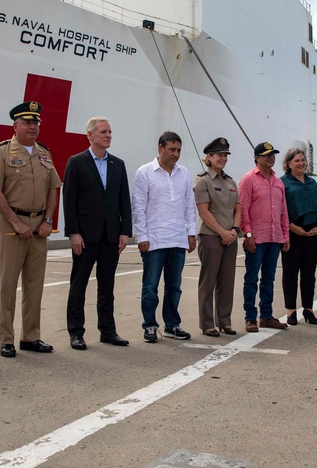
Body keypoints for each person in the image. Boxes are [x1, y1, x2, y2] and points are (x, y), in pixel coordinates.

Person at [0, 101, 62, 358]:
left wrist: (48, 221)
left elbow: (53, 189)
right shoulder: (2, 152)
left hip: (39, 227)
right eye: (27, 122)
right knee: (7, 285)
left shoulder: (44, 154)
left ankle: (31, 336)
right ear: (15, 125)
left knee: (34, 285)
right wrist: (16, 222)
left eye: (35, 122)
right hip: (11, 224)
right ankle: (6, 339)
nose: (32, 127)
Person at [62, 116, 131, 350]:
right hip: (86, 235)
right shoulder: (76, 162)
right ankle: (76, 332)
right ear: (90, 135)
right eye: (103, 132)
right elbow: (69, 200)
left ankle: (108, 331)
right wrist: (73, 232)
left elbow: (124, 201)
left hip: (111, 235)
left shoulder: (118, 164)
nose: (108, 136)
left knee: (107, 285)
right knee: (78, 284)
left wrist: (125, 231)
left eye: (110, 132)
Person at [131, 131, 197, 343]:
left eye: (178, 150)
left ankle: (172, 324)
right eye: (171, 149)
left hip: (178, 239)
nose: (176, 154)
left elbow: (189, 206)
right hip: (154, 240)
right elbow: (138, 207)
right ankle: (150, 325)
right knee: (150, 286)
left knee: (174, 286)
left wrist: (191, 233)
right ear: (160, 148)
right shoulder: (144, 172)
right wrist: (141, 235)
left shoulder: (184, 174)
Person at [239, 142, 290, 332]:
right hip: (256, 239)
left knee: (269, 279)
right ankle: (250, 317)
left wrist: (285, 236)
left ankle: (266, 316)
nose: (271, 158)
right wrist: (249, 234)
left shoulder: (278, 182)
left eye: (273, 154)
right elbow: (244, 210)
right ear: (256, 158)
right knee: (251, 278)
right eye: (266, 155)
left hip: (274, 238)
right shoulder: (248, 180)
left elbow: (283, 211)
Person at [194, 138, 241, 336]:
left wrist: (235, 230)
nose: (223, 158)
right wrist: (222, 232)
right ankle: (207, 324)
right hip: (211, 237)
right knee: (209, 281)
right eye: (219, 155)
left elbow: (238, 208)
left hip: (230, 237)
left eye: (225, 155)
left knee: (227, 281)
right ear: (209, 157)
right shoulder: (202, 181)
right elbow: (203, 211)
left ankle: (225, 321)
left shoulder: (230, 181)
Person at [281, 148, 317, 325]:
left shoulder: (312, 182)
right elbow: (281, 209)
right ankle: (291, 310)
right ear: (289, 163)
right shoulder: (283, 183)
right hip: (292, 232)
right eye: (296, 161)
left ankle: (308, 309)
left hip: (312, 232)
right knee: (290, 273)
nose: (301, 163)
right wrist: (292, 227)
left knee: (309, 273)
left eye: (302, 160)